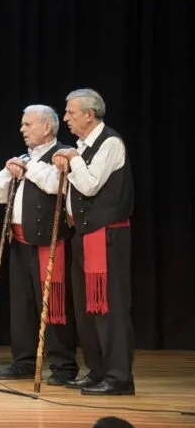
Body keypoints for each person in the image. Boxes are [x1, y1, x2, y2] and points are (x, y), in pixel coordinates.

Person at [52, 88, 135, 396]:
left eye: (70, 112)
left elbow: (89, 186)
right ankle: (97, 369)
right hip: (84, 234)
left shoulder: (110, 143)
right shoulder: (80, 147)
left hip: (107, 235)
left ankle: (119, 377)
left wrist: (73, 159)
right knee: (86, 309)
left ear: (89, 114)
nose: (65, 117)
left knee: (110, 308)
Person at [0, 105, 79, 386]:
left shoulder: (63, 154)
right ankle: (24, 361)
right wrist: (9, 172)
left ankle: (63, 365)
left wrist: (28, 168)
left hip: (50, 242)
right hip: (19, 241)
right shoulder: (21, 158)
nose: (22, 129)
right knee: (22, 305)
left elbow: (56, 185)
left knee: (54, 304)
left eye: (27, 124)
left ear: (47, 127)